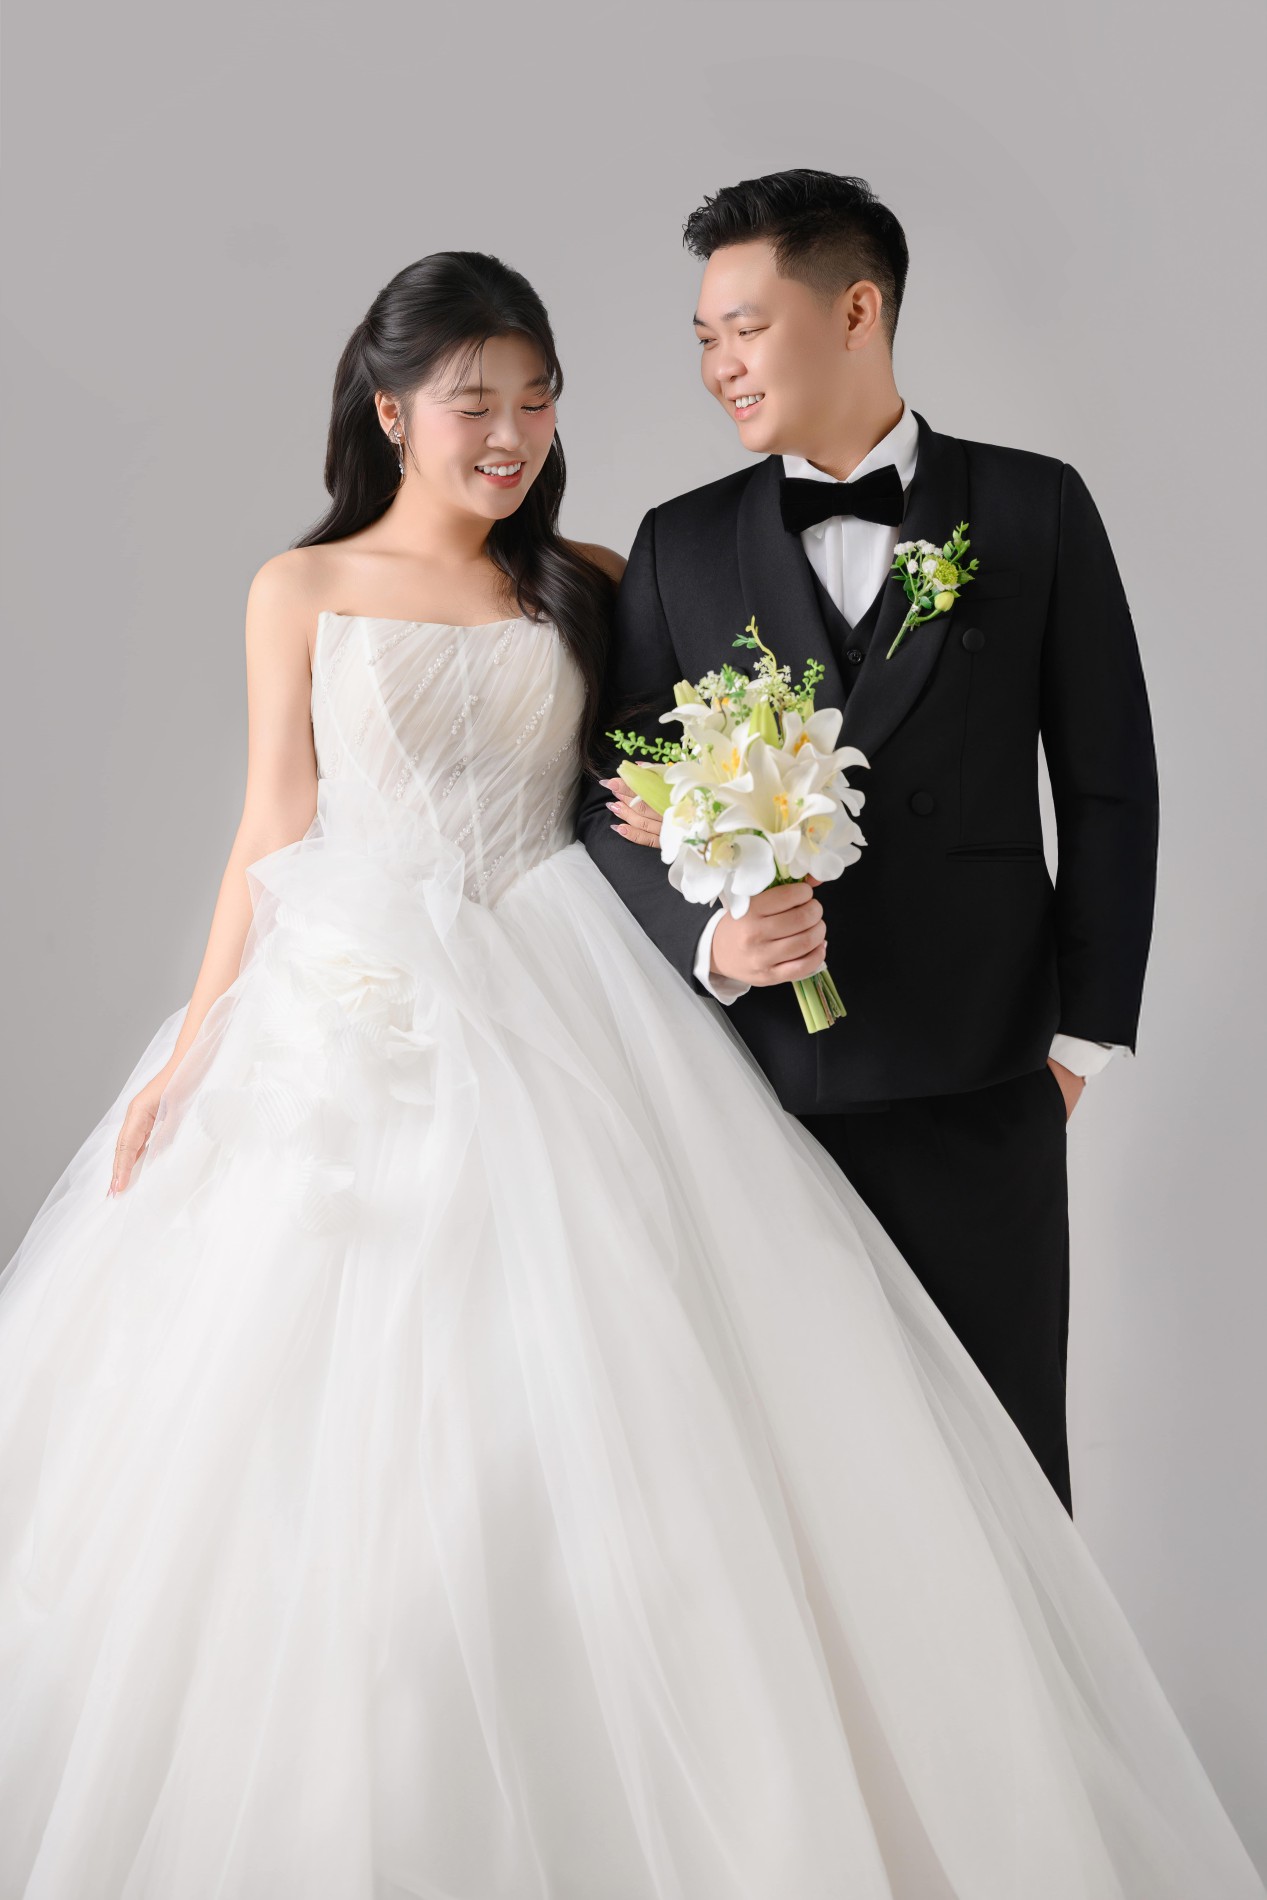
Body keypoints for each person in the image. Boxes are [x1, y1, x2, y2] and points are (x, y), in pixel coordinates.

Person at [0, 250, 1259, 1900]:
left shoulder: (594, 578)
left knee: (643, 1420)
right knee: (320, 1426)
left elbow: (649, 799)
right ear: (390, 411)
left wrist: (725, 849)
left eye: (537, 402)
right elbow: (272, 827)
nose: (511, 435)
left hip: (565, 995)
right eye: (474, 404)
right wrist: (197, 1045)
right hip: (350, 1005)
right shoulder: (297, 590)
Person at [581, 169, 1160, 1517]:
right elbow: (611, 799)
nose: (721, 366)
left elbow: (1112, 787)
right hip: (756, 1096)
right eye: (705, 340)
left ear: (856, 311)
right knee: (794, 1497)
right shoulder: (680, 545)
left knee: (1002, 1484)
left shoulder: (1032, 509)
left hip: (982, 1082)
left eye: (747, 328)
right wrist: (713, 942)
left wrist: (1080, 1047)